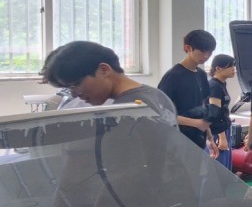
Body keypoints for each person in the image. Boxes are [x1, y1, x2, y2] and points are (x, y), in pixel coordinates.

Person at [43, 41, 177, 125]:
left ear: (104, 70)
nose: (75, 94)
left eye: (76, 84)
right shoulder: (157, 95)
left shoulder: (126, 112)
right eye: (69, 88)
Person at [158, 29, 217, 150]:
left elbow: (202, 108)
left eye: (210, 52)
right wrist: (196, 123)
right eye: (202, 51)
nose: (206, 56)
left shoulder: (201, 75)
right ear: (188, 48)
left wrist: (210, 137)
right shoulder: (173, 76)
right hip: (177, 141)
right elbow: (161, 112)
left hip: (198, 140)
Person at [208, 54, 236, 171]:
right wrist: (222, 137)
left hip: (224, 128)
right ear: (218, 68)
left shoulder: (221, 84)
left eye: (234, 66)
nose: (234, 69)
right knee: (219, 168)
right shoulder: (214, 86)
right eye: (230, 66)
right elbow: (215, 114)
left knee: (226, 167)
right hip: (217, 131)